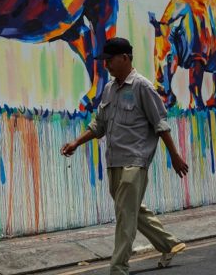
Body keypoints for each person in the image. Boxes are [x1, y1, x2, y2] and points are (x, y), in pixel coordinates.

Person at [61, 37, 189, 274]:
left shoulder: (143, 87)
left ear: (125, 58)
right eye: (105, 61)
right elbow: (98, 125)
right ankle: (168, 243)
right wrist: (76, 143)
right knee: (131, 209)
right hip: (114, 162)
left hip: (135, 161)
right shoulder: (109, 89)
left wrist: (175, 155)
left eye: (110, 60)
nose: (106, 65)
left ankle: (118, 267)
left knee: (125, 216)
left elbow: (160, 125)